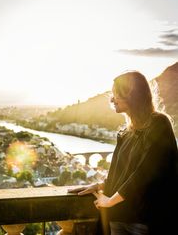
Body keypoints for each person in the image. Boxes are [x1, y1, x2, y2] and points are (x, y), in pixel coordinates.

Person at [68, 71, 178, 235]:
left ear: (132, 95)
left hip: (144, 217)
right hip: (118, 215)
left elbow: (145, 172)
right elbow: (120, 172)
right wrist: (99, 186)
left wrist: (111, 200)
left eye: (116, 94)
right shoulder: (125, 133)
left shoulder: (159, 123)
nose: (112, 99)